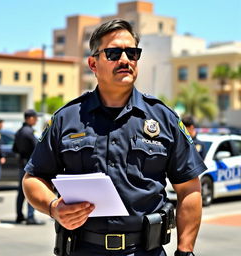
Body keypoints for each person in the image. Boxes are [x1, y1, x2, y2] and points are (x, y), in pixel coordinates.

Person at [22, 19, 207, 256]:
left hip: (146, 251)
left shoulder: (165, 119)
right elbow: (33, 178)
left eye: (132, 53)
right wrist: (53, 207)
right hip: (83, 249)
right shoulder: (66, 119)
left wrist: (185, 251)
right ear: (93, 63)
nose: (125, 60)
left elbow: (189, 188)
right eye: (113, 53)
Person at [13, 110, 45, 225]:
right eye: (35, 118)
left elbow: (14, 149)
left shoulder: (19, 132)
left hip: (22, 164)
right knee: (31, 190)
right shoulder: (30, 132)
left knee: (21, 192)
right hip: (30, 165)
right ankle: (30, 217)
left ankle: (19, 216)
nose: (36, 120)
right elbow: (38, 148)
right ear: (30, 118)